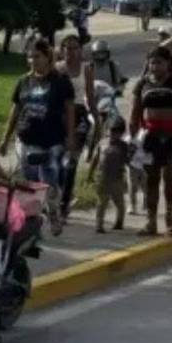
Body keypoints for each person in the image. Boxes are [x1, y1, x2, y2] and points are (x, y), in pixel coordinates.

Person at [0, 39, 76, 235]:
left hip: (51, 141)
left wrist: (70, 137)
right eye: (30, 57)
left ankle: (54, 214)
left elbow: (69, 110)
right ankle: (32, 220)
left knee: (48, 180)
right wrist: (5, 138)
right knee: (29, 182)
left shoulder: (60, 81)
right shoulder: (23, 81)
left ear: (48, 57)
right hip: (26, 139)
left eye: (37, 56)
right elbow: (15, 110)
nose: (33, 60)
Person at [128, 46, 172, 237]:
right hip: (150, 138)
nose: (155, 66)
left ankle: (169, 218)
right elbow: (135, 113)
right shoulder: (142, 84)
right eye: (152, 63)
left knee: (170, 178)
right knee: (151, 180)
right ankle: (151, 221)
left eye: (159, 62)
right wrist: (133, 138)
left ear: (168, 63)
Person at [56, 34, 97, 221]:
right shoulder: (56, 69)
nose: (71, 51)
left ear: (80, 50)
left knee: (71, 162)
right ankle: (59, 195)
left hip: (79, 115)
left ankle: (64, 205)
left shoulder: (86, 69)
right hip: (60, 117)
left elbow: (90, 95)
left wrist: (97, 120)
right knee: (57, 162)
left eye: (74, 48)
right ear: (62, 50)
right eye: (67, 47)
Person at [95, 117, 129, 233]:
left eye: (117, 131)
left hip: (117, 179)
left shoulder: (123, 146)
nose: (114, 134)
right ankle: (99, 224)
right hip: (102, 177)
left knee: (119, 202)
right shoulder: (102, 143)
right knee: (102, 202)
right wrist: (91, 174)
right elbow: (96, 158)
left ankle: (119, 221)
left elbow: (127, 161)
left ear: (122, 133)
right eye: (112, 130)